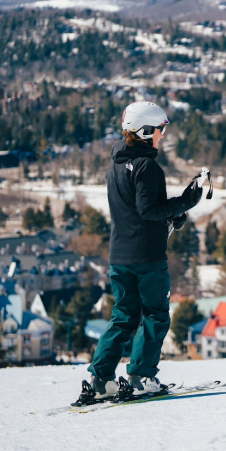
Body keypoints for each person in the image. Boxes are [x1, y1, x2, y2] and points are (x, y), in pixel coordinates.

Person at [82, 101, 203, 401]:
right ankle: (141, 376)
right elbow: (149, 210)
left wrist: (173, 213)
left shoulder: (117, 163)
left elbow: (138, 209)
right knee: (155, 315)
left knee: (123, 316)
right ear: (146, 131)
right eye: (160, 130)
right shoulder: (148, 166)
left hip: (120, 257)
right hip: (147, 258)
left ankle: (101, 379)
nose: (163, 136)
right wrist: (186, 202)